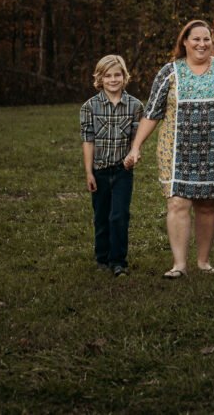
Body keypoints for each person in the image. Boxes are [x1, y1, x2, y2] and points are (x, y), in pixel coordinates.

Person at [124, 20, 214, 279]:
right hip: (176, 151)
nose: (202, 44)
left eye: (206, 39)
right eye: (196, 39)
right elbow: (152, 112)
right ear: (185, 42)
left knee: (206, 205)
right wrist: (136, 146)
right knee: (178, 203)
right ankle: (179, 264)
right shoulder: (170, 72)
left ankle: (203, 261)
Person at [80, 55, 143, 277]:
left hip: (122, 171)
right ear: (100, 78)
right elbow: (88, 141)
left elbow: (137, 140)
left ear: (124, 77)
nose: (113, 79)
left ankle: (118, 261)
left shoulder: (135, 106)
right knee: (101, 216)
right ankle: (102, 258)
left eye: (117, 74)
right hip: (99, 170)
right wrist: (89, 172)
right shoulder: (89, 107)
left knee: (119, 215)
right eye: (108, 75)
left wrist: (133, 156)